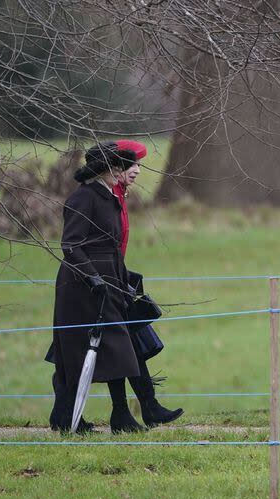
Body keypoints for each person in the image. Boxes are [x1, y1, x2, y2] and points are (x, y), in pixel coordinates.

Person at [46, 142, 144, 434]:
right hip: (80, 287)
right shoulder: (83, 199)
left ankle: (121, 415)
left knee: (118, 349)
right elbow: (71, 245)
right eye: (119, 167)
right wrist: (93, 278)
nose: (125, 172)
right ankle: (65, 417)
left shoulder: (109, 198)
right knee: (75, 351)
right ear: (106, 169)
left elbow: (111, 247)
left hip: (108, 282)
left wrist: (125, 278)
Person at [111, 139, 184, 428]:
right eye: (133, 164)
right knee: (122, 345)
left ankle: (145, 408)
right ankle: (128, 412)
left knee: (131, 342)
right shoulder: (105, 196)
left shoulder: (119, 194)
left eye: (139, 165)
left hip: (116, 277)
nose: (138, 170)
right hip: (104, 282)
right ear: (115, 166)